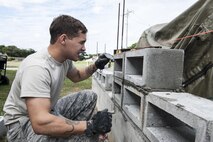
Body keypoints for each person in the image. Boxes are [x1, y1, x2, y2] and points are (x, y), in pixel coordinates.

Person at [3, 14, 112, 142]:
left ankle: (71, 132)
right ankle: (74, 134)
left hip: (47, 112)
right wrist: (90, 126)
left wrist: (96, 65)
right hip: (22, 125)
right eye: (81, 42)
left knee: (89, 97)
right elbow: (40, 123)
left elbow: (77, 76)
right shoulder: (37, 67)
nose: (84, 48)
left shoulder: (64, 60)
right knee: (85, 135)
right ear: (63, 39)